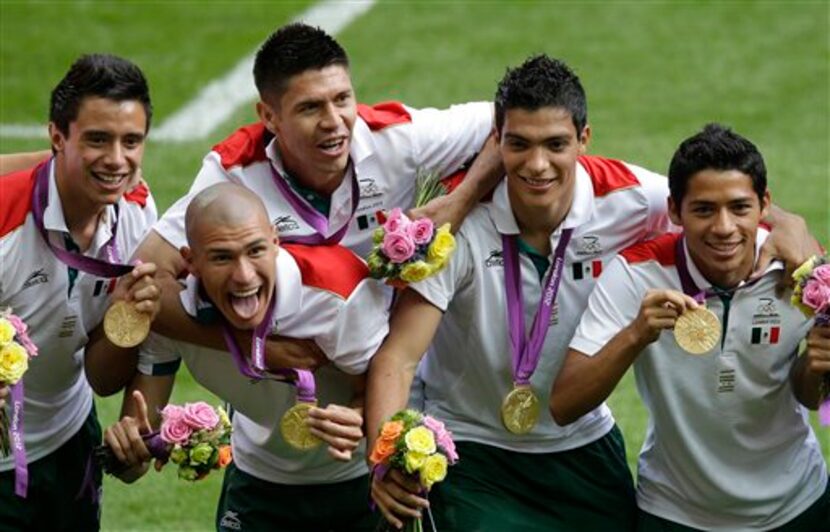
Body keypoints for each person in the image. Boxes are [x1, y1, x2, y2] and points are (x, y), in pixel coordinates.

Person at [365, 55, 822, 531]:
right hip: (474, 447)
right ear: (496, 142)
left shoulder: (629, 198)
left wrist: (787, 225)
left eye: (556, 144)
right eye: (519, 144)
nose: (538, 164)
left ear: (584, 139)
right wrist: (386, 454)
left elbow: (717, 204)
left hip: (582, 444)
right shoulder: (457, 225)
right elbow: (398, 359)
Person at [129, 22, 498, 372]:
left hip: (388, 351)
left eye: (342, 99)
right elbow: (142, 276)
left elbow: (512, 119)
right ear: (269, 117)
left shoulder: (397, 139)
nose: (334, 121)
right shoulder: (233, 173)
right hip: (286, 366)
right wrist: (246, 344)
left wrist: (458, 202)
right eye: (310, 107)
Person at [551, 124, 829, 530]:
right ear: (676, 211)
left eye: (739, 207)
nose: (723, 227)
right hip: (675, 514)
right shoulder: (635, 274)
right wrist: (635, 335)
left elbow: (811, 397)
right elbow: (564, 405)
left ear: (764, 205)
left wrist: (816, 365)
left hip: (796, 507)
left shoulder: (800, 269)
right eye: (703, 210)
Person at [103, 183, 390, 531]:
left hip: (359, 482)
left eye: (255, 251)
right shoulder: (170, 318)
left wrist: (359, 417)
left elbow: (390, 393)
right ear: (190, 262)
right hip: (256, 484)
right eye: (222, 257)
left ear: (275, 242)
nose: (244, 276)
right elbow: (134, 462)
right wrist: (127, 451)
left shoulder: (339, 296)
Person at [0, 54, 160, 531]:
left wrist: (125, 321)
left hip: (70, 441)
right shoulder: (6, 224)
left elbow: (102, 376)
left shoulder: (136, 210)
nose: (117, 160)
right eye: (97, 139)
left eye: (131, 141)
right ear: (57, 137)